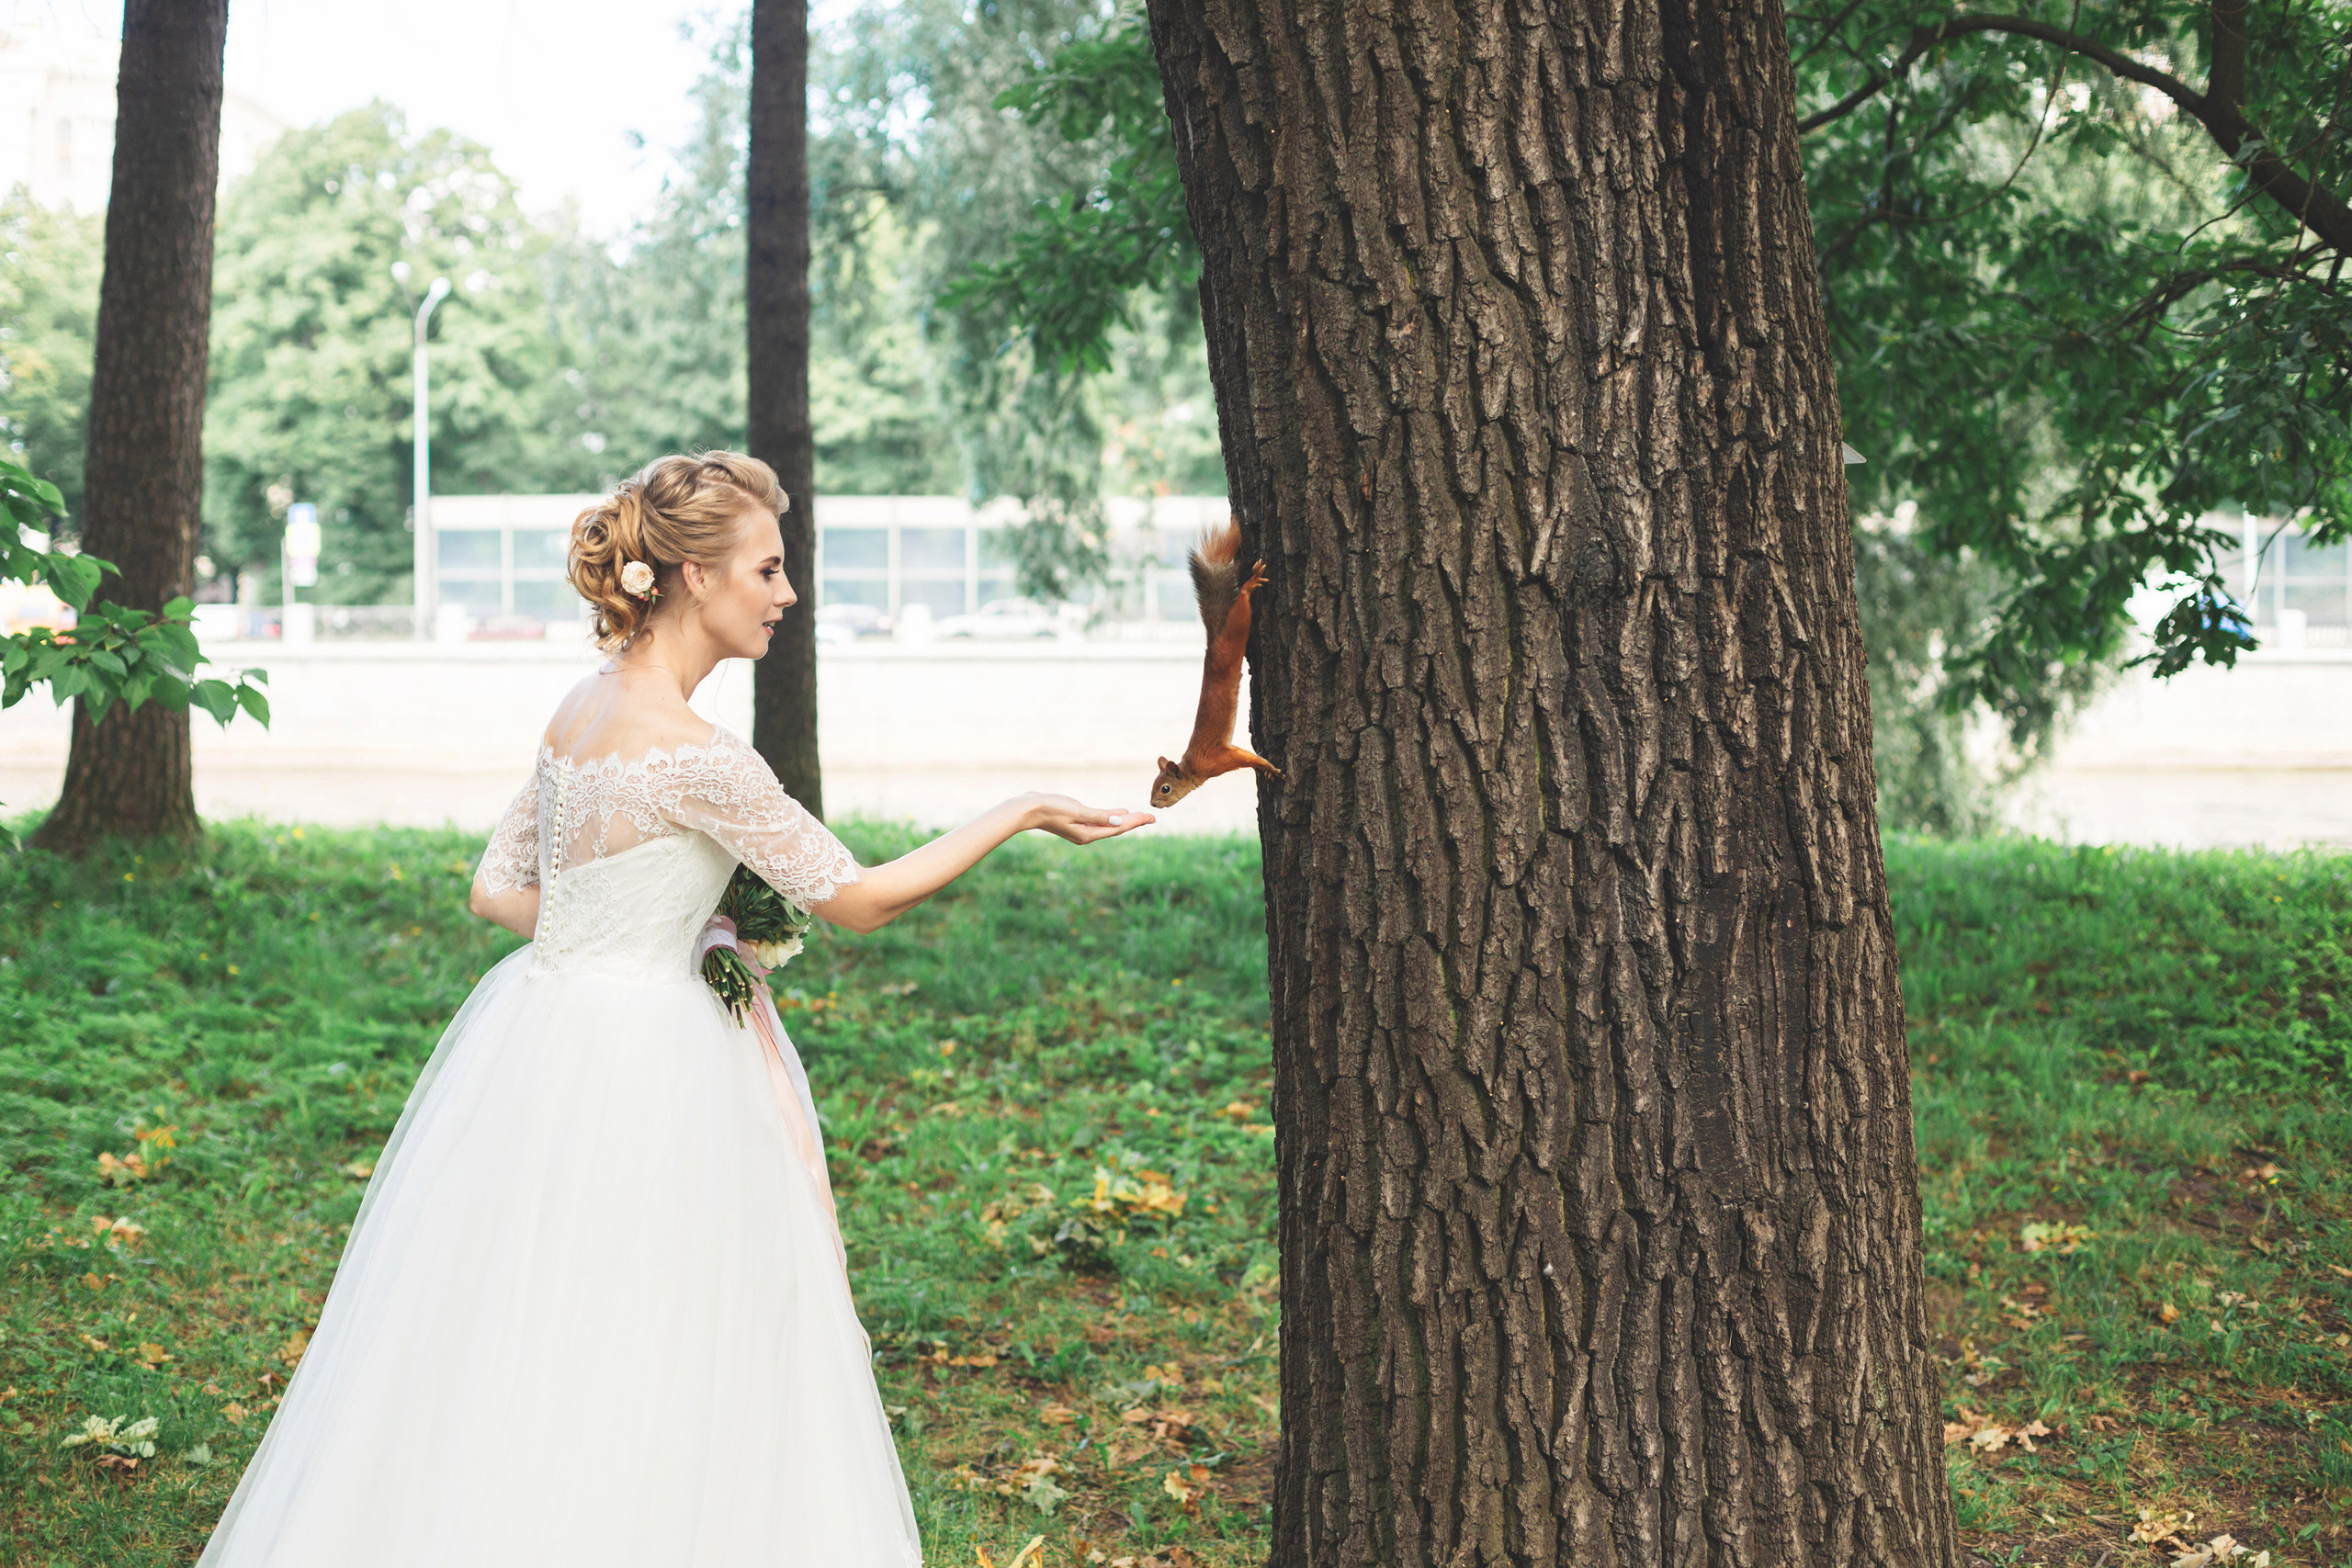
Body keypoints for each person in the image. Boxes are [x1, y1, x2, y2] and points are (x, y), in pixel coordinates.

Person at [193, 451, 1154, 1566]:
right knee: (654, 1332)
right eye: (770, 568)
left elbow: (495, 890)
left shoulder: (578, 709)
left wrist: (656, 928)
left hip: (537, 1039)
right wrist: (1023, 807)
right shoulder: (706, 760)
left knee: (515, 1322)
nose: (787, 594)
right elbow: (862, 901)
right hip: (654, 1063)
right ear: (696, 577)